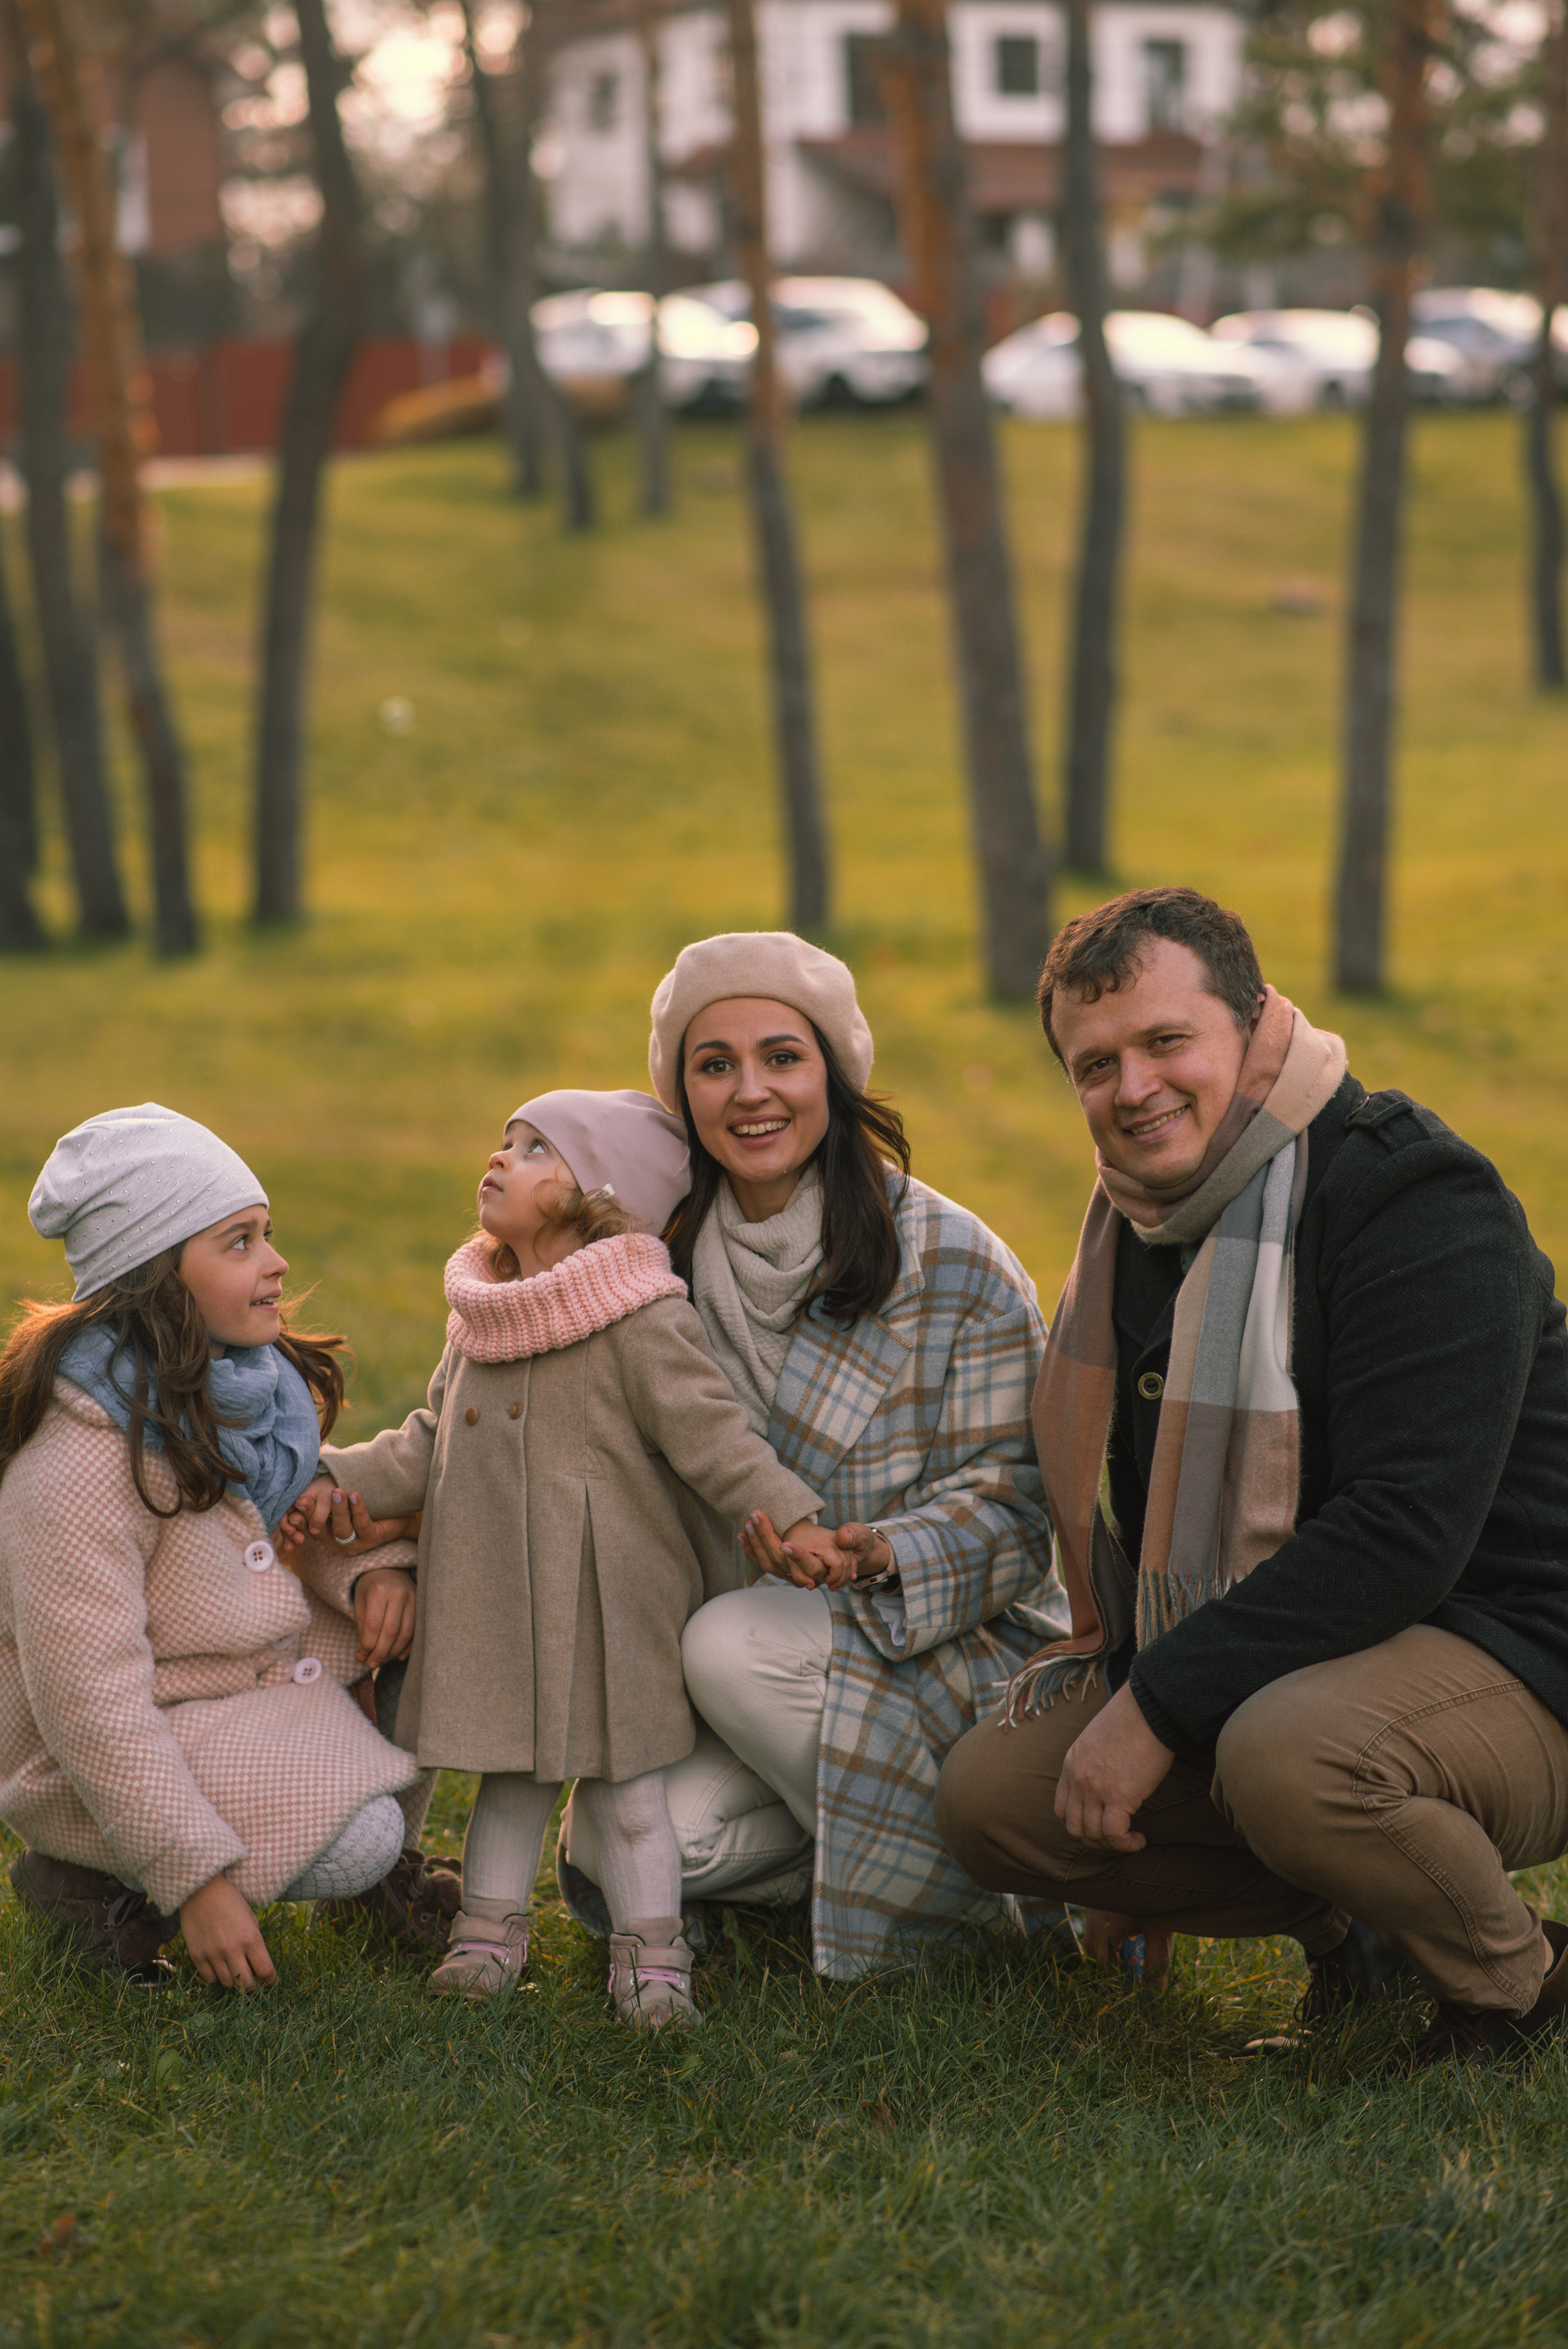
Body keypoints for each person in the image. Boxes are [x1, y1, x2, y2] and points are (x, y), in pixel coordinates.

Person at [934, 887, 1568, 2067]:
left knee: (1287, 1752)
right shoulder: (1137, 1227)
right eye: (1095, 1065)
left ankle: (1519, 1983)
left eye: (1167, 1042)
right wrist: (1141, 1722)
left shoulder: (1417, 1195)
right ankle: (1360, 1924)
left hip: (1513, 1649)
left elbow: (1403, 1531)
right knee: (997, 1801)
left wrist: (1158, 1709)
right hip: (1313, 1659)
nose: (1133, 1089)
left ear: (1255, 1022)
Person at [557, 932, 1066, 1980]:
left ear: (833, 1073)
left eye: (783, 1057)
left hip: (936, 1649)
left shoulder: (955, 1260)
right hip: (721, 1654)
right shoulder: (647, 1265)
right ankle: (855, 1854)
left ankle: (960, 1890)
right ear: (683, 1092)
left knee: (734, 1641)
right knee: (627, 1853)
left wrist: (878, 1552)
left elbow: (1021, 1510)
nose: (753, 1092)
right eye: (715, 1064)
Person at [288, 1088, 829, 2029]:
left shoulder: (640, 1318)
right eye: (504, 1139)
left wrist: (792, 1515)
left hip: (610, 1606)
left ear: (603, 1192)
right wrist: (335, 1477)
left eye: (537, 1148)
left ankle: (656, 1950)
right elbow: (427, 1442)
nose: (500, 1157)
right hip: (501, 1603)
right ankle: (489, 1932)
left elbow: (716, 1439)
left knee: (629, 1795)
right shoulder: (485, 1317)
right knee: (509, 1780)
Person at [0, 1103, 426, 1992]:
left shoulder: (248, 1386)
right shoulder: (78, 1454)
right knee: (360, 1837)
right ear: (157, 1275)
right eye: (239, 1242)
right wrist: (192, 1874)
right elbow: (90, 1696)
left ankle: (369, 1866)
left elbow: (299, 1527)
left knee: (447, 1614)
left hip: (236, 1678)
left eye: (267, 1234)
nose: (275, 1263)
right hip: (114, 1741)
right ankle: (98, 1882)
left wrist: (376, 1568)